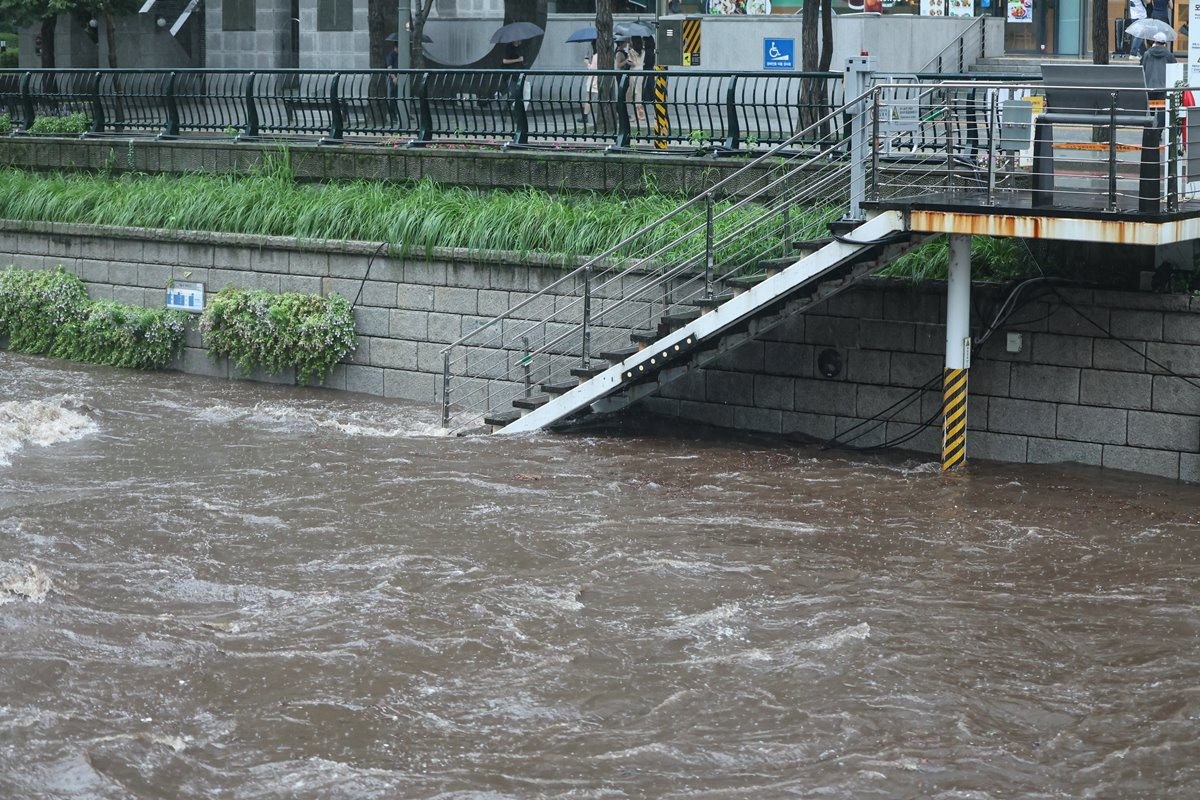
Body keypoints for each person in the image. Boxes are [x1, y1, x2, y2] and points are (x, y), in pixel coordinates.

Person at [580, 46, 598, 125]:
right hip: (597, 79)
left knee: (588, 99)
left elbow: (592, 69)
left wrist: (587, 63)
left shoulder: (596, 56)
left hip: (593, 80)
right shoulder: (599, 56)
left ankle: (585, 116)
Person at [385, 38, 400, 125]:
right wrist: (394, 78)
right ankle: (393, 115)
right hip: (393, 79)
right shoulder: (391, 55)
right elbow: (389, 67)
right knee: (393, 97)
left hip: (400, 78)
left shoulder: (400, 55)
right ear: (395, 47)